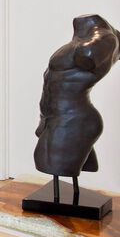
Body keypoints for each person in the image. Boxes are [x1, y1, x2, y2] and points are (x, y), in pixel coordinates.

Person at [34, 14, 119, 178]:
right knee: (46, 163)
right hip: (57, 118)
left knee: (50, 164)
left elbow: (89, 54)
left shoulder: (103, 38)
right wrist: (43, 119)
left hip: (73, 120)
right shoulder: (80, 39)